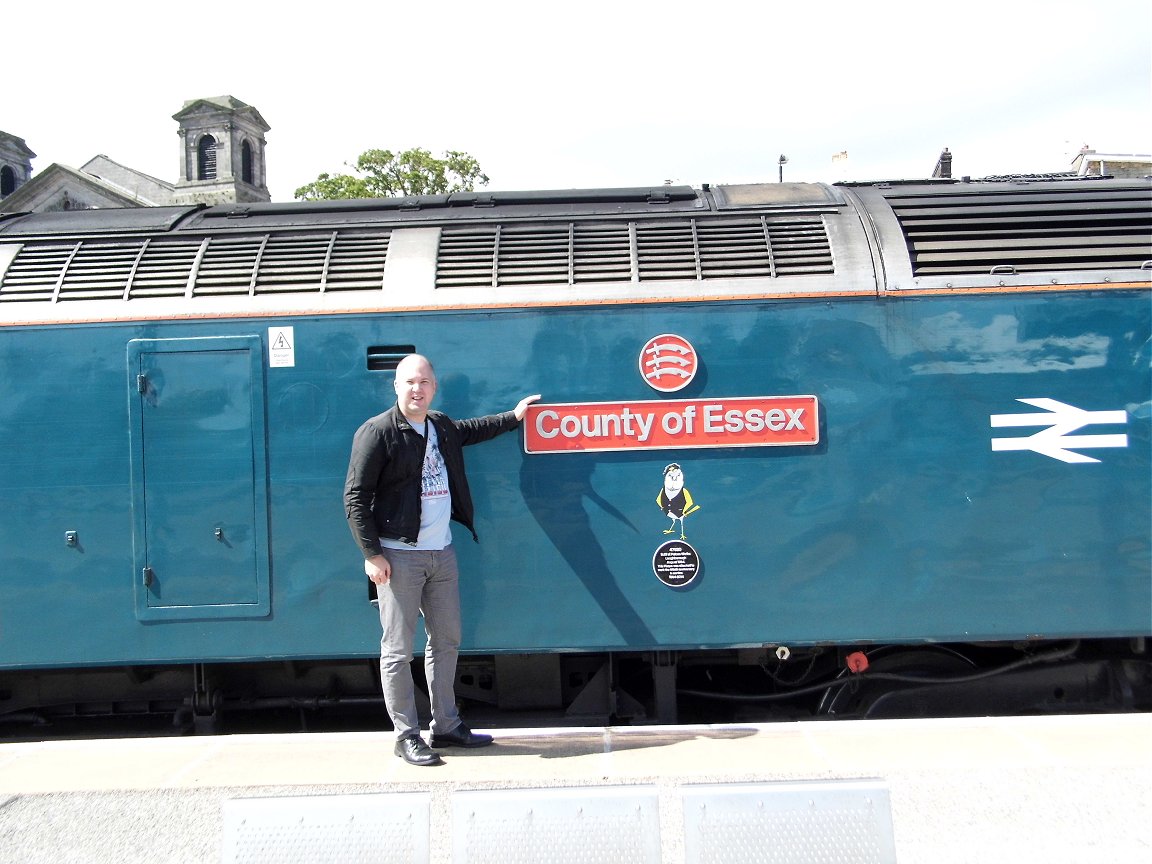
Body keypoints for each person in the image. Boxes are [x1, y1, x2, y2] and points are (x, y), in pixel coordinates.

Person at [344, 353, 540, 766]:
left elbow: (474, 429)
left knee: (447, 640)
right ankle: (405, 735)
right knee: (397, 650)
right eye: (410, 382)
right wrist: (371, 553)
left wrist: (515, 416)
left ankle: (446, 725)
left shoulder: (440, 426)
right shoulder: (378, 432)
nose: (417, 389)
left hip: (442, 553)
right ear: (396, 387)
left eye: (425, 383)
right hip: (398, 556)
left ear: (434, 387)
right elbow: (355, 497)